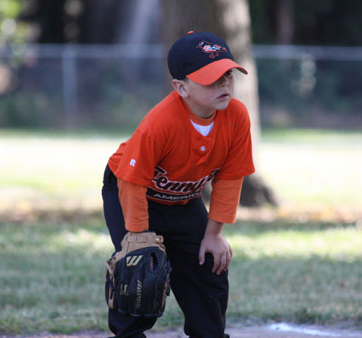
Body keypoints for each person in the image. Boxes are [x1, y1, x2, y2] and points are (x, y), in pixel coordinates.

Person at [101, 31, 255, 338]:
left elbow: (229, 179)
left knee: (208, 264)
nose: (224, 83)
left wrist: (214, 235)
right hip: (132, 193)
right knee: (139, 268)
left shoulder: (236, 117)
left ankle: (208, 334)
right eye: (211, 78)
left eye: (227, 74)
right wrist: (138, 236)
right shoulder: (161, 123)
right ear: (181, 87)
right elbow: (132, 182)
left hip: (183, 200)